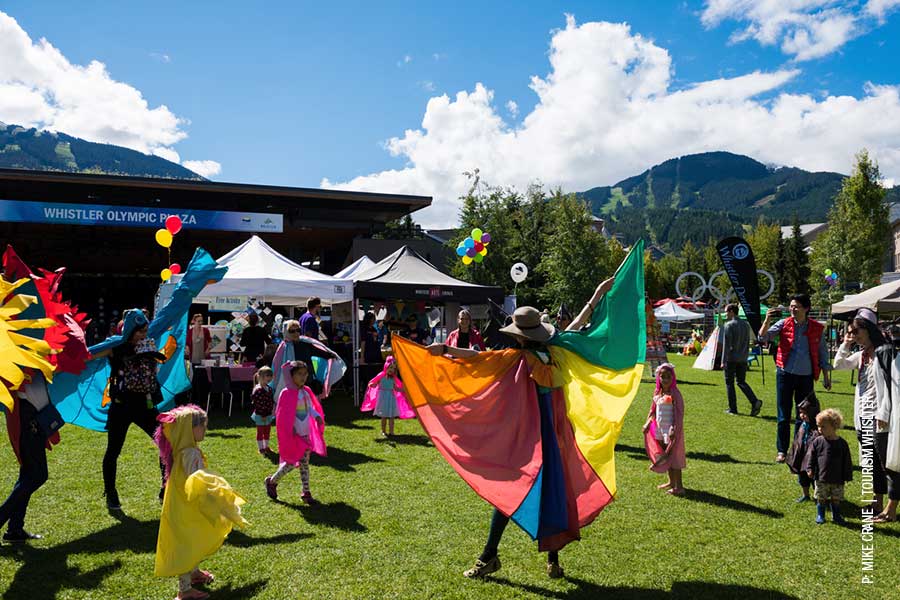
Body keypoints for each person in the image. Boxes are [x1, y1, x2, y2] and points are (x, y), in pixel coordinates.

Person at [427, 275, 617, 580]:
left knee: (521, 490)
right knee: (547, 491)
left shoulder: (529, 356)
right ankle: (538, 559)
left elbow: (479, 357)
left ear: (518, 336)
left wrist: (446, 351)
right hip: (548, 436)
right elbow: (578, 322)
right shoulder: (549, 351)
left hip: (540, 437)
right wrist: (596, 293)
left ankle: (493, 556)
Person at [154, 404, 248, 600]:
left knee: (193, 538)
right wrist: (216, 496)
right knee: (186, 544)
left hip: (185, 504)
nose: (205, 429)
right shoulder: (190, 454)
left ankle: (194, 572)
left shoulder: (183, 450)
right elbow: (197, 480)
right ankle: (184, 590)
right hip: (188, 506)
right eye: (202, 426)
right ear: (189, 430)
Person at [95, 311, 168, 510]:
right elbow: (89, 354)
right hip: (122, 406)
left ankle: (166, 487)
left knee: (166, 444)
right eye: (139, 332)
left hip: (145, 405)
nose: (143, 335)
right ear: (130, 330)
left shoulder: (149, 343)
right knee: (113, 450)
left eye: (145, 330)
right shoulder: (116, 347)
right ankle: (111, 493)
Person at [833, 308, 898, 521]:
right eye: (851, 331)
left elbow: (893, 387)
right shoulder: (861, 355)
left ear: (868, 329)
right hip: (863, 418)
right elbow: (838, 365)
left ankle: (890, 509)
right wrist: (846, 343)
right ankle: (877, 502)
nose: (853, 334)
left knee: (887, 463)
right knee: (871, 462)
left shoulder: (885, 352)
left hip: (882, 419)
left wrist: (885, 413)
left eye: (855, 331)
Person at [758, 294, 832, 463]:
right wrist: (767, 320)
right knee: (783, 415)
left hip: (806, 376)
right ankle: (781, 451)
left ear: (806, 309)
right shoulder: (783, 324)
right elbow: (762, 337)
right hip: (785, 374)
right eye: (791, 306)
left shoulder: (816, 328)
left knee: (803, 415)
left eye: (796, 306)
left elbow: (822, 354)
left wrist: (826, 377)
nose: (792, 309)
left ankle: (797, 449)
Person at [265, 361, 326, 505]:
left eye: (305, 374)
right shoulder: (286, 393)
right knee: (291, 463)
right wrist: (289, 427)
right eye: (299, 374)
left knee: (304, 464)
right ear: (291, 376)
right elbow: (282, 415)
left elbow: (309, 408)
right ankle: (272, 481)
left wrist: (316, 415)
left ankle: (306, 491)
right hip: (293, 436)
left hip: (305, 435)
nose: (303, 377)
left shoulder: (305, 392)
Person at [0, 373, 51, 543]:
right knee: (38, 475)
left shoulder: (34, 358)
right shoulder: (17, 360)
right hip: (29, 424)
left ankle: (15, 529)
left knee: (27, 476)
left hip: (35, 421)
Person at [802, 408, 852, 525]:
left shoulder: (842, 444)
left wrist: (847, 475)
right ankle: (821, 514)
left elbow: (847, 461)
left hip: (837, 478)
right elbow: (812, 457)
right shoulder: (818, 442)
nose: (819, 429)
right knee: (821, 498)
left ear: (834, 426)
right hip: (821, 477)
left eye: (823, 427)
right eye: (818, 426)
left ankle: (836, 515)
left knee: (836, 499)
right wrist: (809, 468)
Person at [642, 363, 686, 495]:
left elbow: (679, 414)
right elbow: (653, 411)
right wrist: (647, 423)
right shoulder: (658, 393)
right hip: (660, 430)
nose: (665, 379)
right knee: (665, 456)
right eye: (662, 377)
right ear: (658, 378)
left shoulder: (675, 394)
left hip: (671, 431)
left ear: (673, 378)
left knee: (673, 457)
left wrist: (674, 429)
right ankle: (671, 482)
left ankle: (679, 487)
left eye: (668, 377)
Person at [271, 320, 336, 398]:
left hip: (307, 378)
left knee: (308, 403)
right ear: (286, 332)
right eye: (292, 331)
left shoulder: (305, 343)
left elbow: (319, 352)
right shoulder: (283, 348)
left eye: (298, 330)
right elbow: (276, 366)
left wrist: (331, 355)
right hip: (291, 380)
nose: (296, 333)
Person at [722, 303, 763, 416]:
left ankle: (733, 408)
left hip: (731, 358)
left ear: (731, 311)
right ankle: (754, 401)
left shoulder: (728, 325)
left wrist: (723, 360)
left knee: (729, 383)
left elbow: (727, 345)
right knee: (741, 382)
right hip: (743, 358)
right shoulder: (746, 325)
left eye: (726, 311)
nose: (725, 314)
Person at [361, 356, 414, 437]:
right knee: (384, 416)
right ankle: (383, 431)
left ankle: (391, 431)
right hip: (383, 398)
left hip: (391, 398)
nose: (391, 370)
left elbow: (396, 388)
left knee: (392, 417)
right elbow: (375, 383)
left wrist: (404, 390)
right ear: (386, 367)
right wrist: (372, 385)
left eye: (393, 368)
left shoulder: (393, 378)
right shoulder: (381, 376)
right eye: (390, 367)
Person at [786, 395, 820, 503]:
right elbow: (798, 440)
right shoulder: (803, 425)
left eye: (805, 413)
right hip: (801, 456)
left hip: (812, 460)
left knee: (814, 479)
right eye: (801, 413)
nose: (802, 416)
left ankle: (818, 497)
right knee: (802, 478)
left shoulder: (817, 429)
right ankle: (805, 494)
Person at [250, 366, 275, 454]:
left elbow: (271, 401)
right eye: (267, 376)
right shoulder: (258, 390)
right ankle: (261, 448)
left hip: (268, 414)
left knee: (267, 431)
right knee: (260, 431)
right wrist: (263, 415)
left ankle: (266, 446)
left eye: (270, 375)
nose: (269, 378)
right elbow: (258, 404)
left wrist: (272, 411)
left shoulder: (269, 388)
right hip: (261, 415)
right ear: (260, 377)